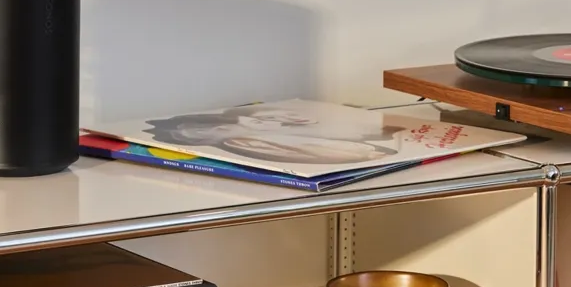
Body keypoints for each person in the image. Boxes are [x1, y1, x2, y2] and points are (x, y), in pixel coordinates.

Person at [144, 103, 402, 166]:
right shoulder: (251, 143)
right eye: (199, 136)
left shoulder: (260, 117)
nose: (217, 131)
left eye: (204, 127)